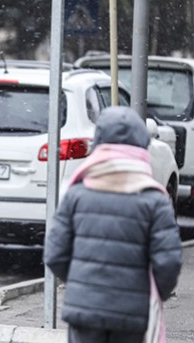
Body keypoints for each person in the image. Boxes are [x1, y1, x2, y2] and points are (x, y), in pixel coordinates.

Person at [44, 106, 182, 343]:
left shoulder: (77, 194)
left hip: (84, 310)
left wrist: (81, 282)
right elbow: (168, 263)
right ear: (142, 147)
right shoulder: (155, 201)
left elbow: (55, 254)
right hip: (132, 314)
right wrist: (154, 293)